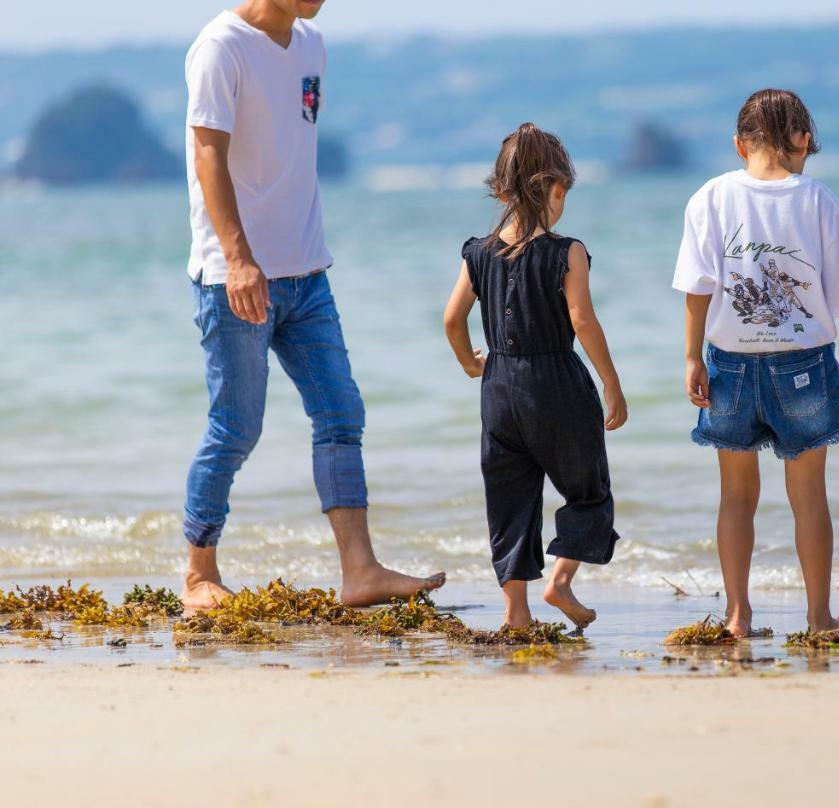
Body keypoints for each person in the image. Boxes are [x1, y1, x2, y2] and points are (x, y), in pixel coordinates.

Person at [182, 0, 444, 611]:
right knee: (236, 428)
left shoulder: (310, 45)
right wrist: (240, 258)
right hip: (234, 278)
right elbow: (207, 154)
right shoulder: (220, 46)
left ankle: (361, 571)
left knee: (341, 414)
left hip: (307, 272)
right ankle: (198, 574)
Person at [673, 89, 839, 638]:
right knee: (808, 496)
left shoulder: (711, 196)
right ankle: (819, 618)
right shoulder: (817, 200)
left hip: (730, 362)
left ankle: (736, 615)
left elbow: (697, 288)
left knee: (735, 496)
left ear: (739, 144)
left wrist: (690, 357)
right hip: (804, 365)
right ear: (801, 139)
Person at [443, 123, 627, 630]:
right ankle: (561, 583)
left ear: (500, 190)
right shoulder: (566, 252)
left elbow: (452, 319)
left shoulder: (477, 252)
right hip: (559, 385)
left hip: (498, 388)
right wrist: (611, 381)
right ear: (558, 189)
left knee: (509, 500)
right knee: (589, 492)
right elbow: (582, 320)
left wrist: (469, 362)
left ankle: (515, 613)